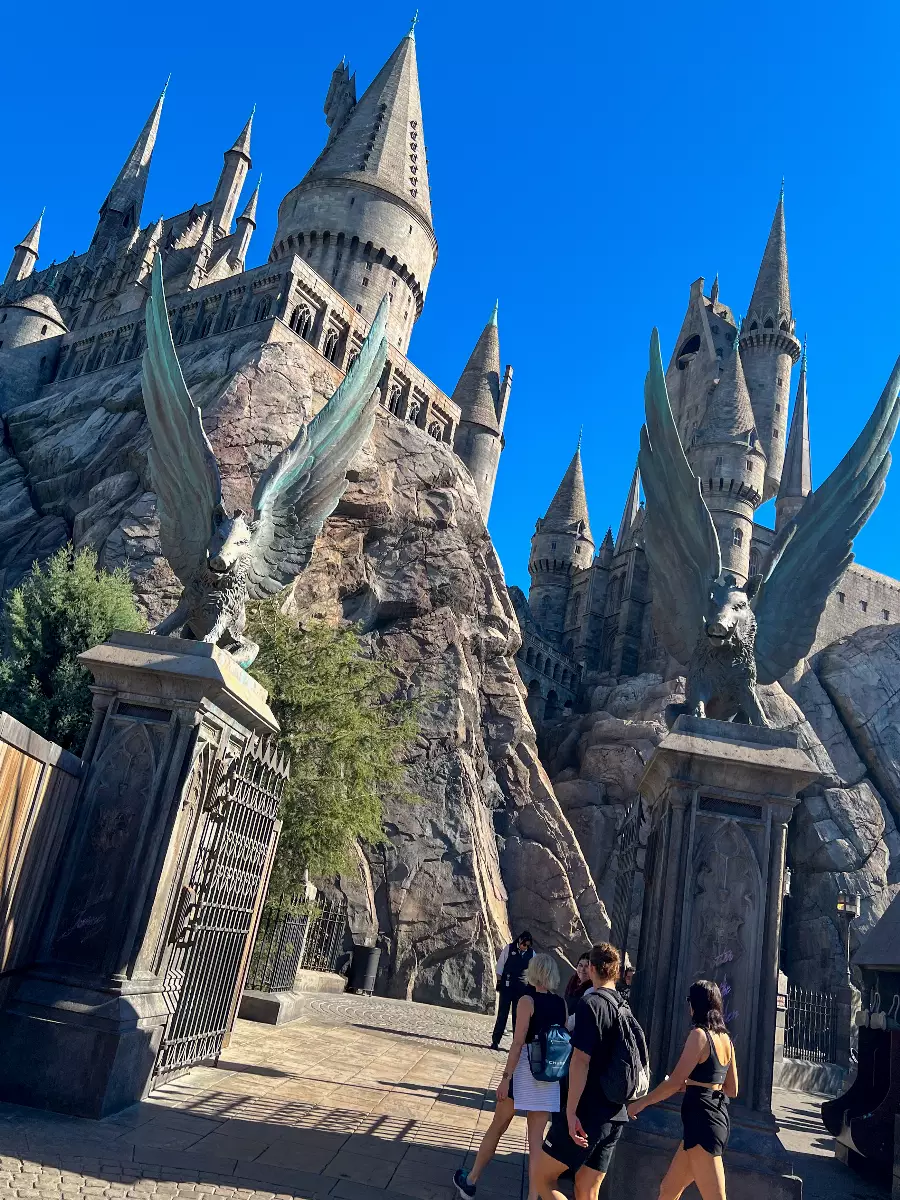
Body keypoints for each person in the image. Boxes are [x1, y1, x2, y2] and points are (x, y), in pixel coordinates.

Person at [454, 954, 567, 1200]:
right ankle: (533, 1197)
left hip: (525, 1070)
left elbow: (518, 1043)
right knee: (536, 1143)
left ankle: (471, 1180)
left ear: (533, 972)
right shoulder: (561, 1003)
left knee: (498, 1126)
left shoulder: (527, 1001)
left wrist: (506, 1077)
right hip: (548, 1074)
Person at [626, 979, 738, 1200]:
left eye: (689, 1001)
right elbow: (732, 1089)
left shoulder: (699, 1035)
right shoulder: (726, 1039)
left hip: (702, 1122)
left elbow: (675, 1082)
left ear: (695, 1004)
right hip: (713, 1119)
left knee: (716, 1197)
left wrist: (640, 1103)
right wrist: (694, 1084)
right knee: (668, 1190)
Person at [534, 943, 629, 1200]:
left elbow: (580, 1061)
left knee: (542, 1177)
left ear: (594, 969)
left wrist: (570, 1111)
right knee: (587, 1191)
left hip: (587, 1110)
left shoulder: (592, 1003)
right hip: (615, 1113)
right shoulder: (623, 1006)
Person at [490, 930, 534, 1051]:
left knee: (517, 1017)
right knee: (502, 1014)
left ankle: (517, 1043)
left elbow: (534, 972)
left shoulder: (531, 954)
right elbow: (500, 966)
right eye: (524, 944)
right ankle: (495, 1040)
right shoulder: (509, 949)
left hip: (521, 989)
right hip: (507, 986)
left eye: (528, 946)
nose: (525, 947)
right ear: (520, 941)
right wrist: (499, 981)